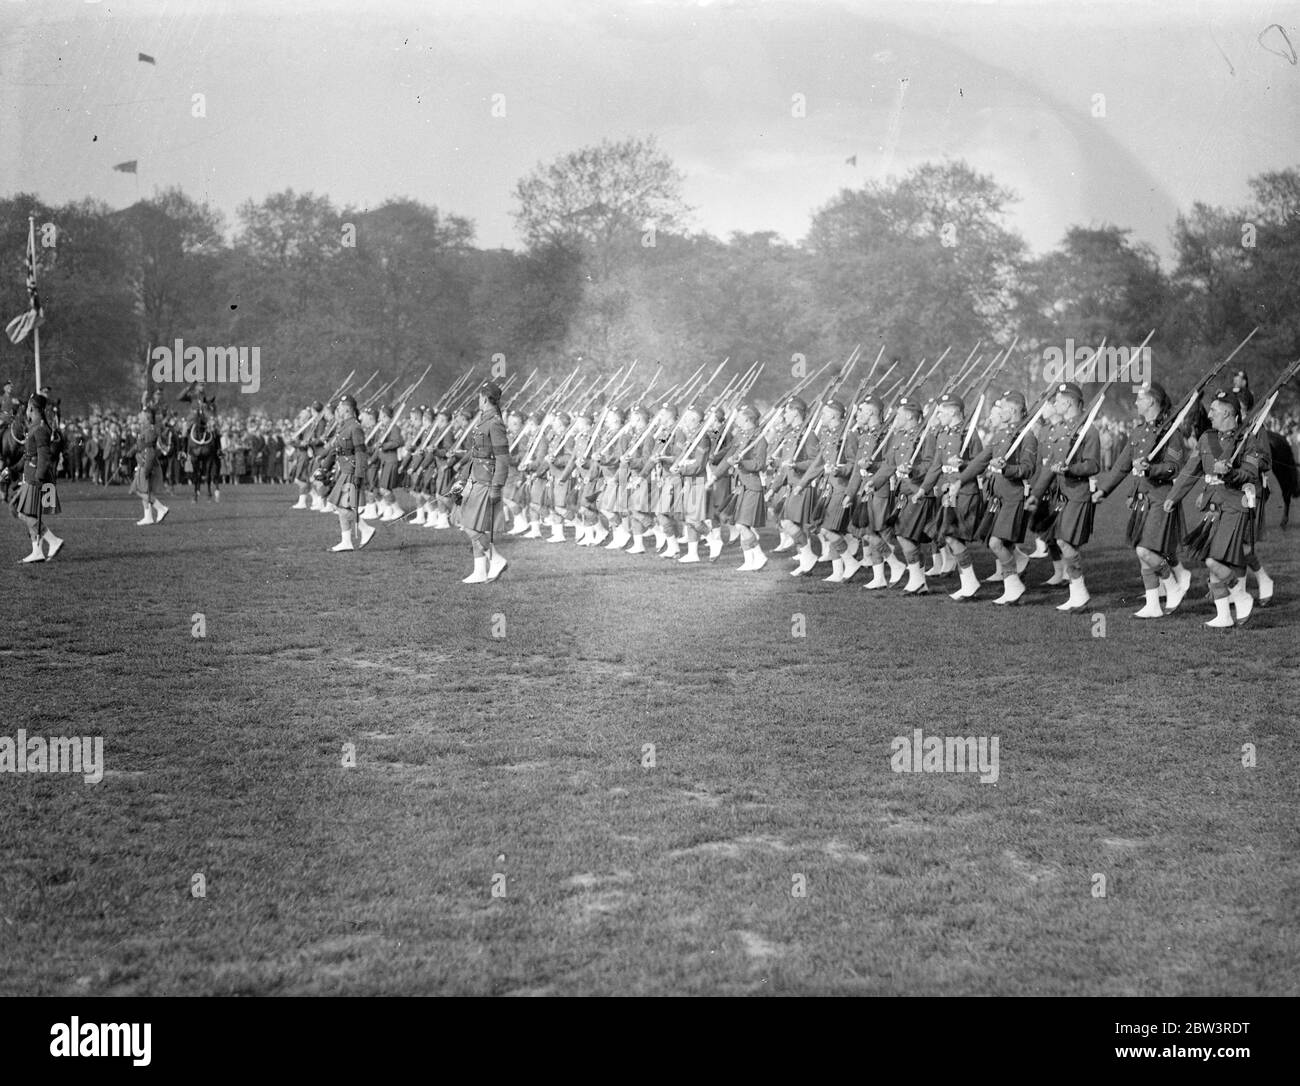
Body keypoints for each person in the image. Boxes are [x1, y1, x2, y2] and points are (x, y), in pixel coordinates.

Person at [1165, 390, 1265, 628]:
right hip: (1213, 506)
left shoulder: (1248, 440)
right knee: (1213, 564)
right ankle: (1224, 615)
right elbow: (1190, 471)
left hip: (1234, 506)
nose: (1209, 415)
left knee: (1213, 560)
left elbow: (1250, 474)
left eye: (1214, 410)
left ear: (1228, 413)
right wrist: (1173, 496)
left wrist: (1230, 473)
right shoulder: (1206, 438)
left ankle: (1240, 596)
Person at [1091, 383, 1191, 619]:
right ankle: (1153, 604)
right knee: (1142, 552)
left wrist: (1151, 469)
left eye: (1140, 399)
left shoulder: (1171, 433)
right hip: (1141, 499)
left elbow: (1175, 467)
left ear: (1152, 401)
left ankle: (1173, 585)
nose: (1136, 403)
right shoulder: (1138, 432)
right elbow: (1121, 466)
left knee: (1145, 550)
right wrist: (1103, 491)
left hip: (1160, 497)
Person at [1027, 383, 1100, 612]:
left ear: (1068, 402)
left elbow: (1093, 464)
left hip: (1077, 494)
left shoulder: (1089, 430)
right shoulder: (1060, 430)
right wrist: (1036, 495)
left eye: (1058, 401)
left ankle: (1079, 591)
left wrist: (1070, 469)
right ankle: (1077, 592)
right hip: (1060, 496)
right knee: (1061, 541)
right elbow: (1049, 467)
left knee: (1064, 542)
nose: (1055, 404)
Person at [977, 390, 1037, 606]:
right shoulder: (1001, 434)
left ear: (1012, 410)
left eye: (1001, 408)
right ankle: (1016, 572)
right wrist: (962, 475)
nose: (999, 411)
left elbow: (1028, 469)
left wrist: (1007, 469)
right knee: (1000, 543)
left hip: (1013, 497)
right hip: (997, 497)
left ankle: (1013, 585)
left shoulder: (1027, 436)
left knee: (996, 543)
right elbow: (981, 460)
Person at [458, 382, 510, 584]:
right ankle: (480, 570)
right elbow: (476, 454)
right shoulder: (484, 420)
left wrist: (497, 486)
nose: (478, 400)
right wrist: (463, 474)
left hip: (486, 481)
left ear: (485, 399)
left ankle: (495, 558)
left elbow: (503, 458)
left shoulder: (495, 423)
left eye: (480, 397)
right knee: (470, 525)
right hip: (475, 477)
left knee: (471, 526)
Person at [318, 395, 375, 553]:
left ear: (348, 409)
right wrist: (325, 467)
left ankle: (365, 529)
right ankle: (346, 541)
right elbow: (336, 450)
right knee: (341, 507)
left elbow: (361, 453)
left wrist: (359, 475)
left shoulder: (355, 427)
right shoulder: (343, 426)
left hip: (351, 470)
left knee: (343, 507)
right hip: (344, 469)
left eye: (340, 407)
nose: (338, 410)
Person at [13, 394, 64, 563]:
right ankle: (37, 550)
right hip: (30, 474)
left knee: (24, 513)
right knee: (23, 512)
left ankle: (52, 541)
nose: (26, 409)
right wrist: (12, 469)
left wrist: (39, 477)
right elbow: (28, 456)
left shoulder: (40, 428)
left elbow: (44, 456)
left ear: (32, 408)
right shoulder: (35, 426)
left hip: (35, 477)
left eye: (28, 406)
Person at [129, 394, 169, 526]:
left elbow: (149, 450)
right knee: (145, 490)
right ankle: (148, 516)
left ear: (146, 417)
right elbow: (138, 446)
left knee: (138, 489)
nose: (139, 416)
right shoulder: (144, 429)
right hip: (143, 461)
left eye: (141, 414)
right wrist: (127, 455)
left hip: (146, 463)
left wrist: (147, 468)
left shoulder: (150, 430)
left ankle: (160, 508)